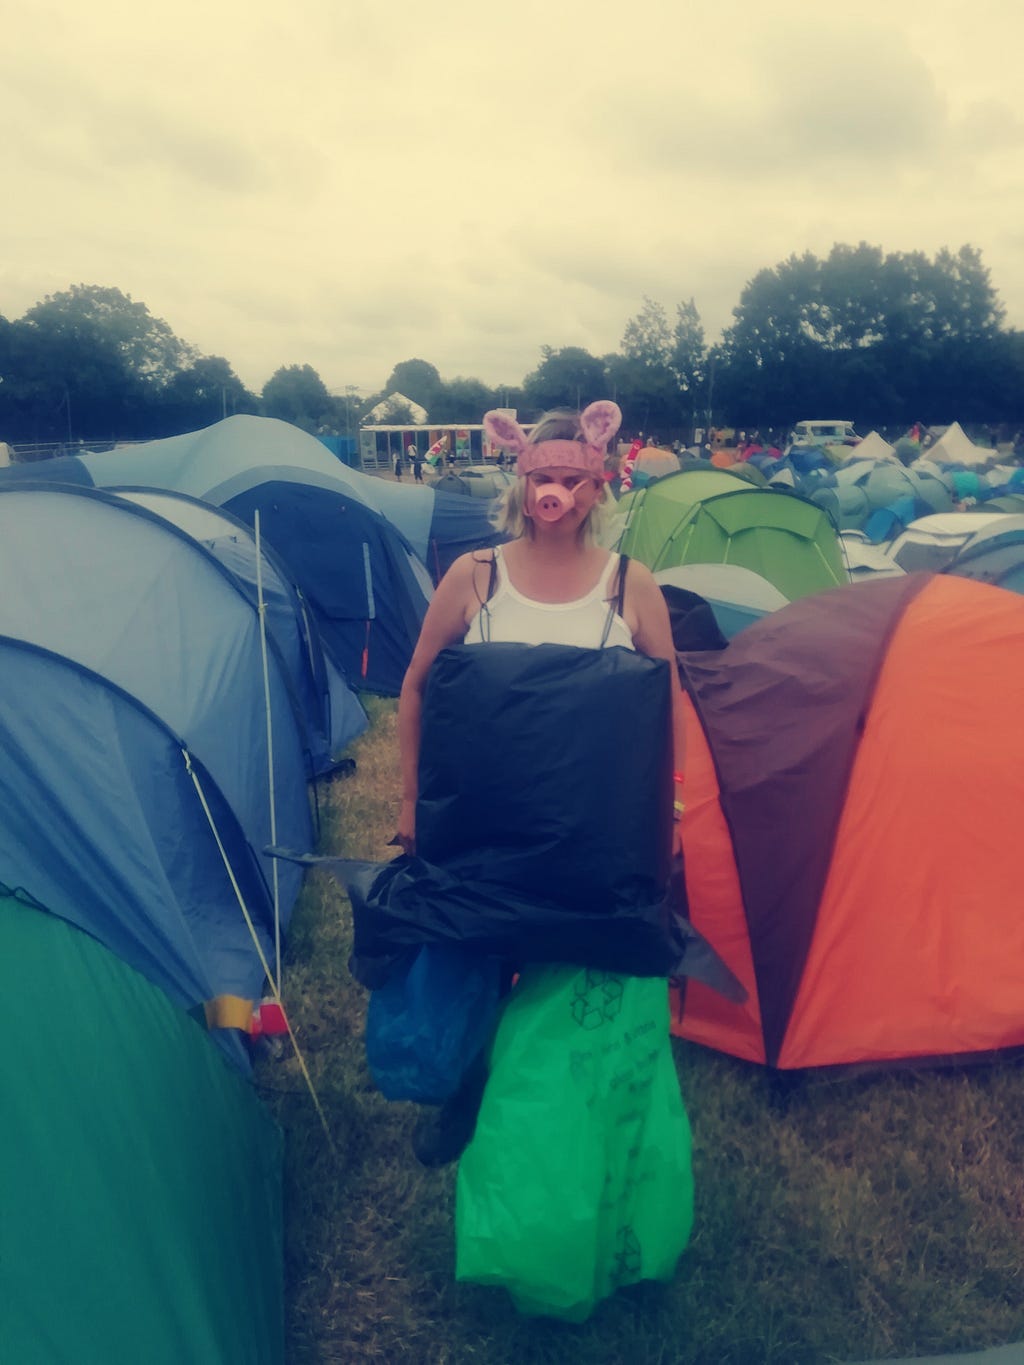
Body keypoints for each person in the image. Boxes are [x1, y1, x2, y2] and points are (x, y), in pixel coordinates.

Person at [396, 402, 687, 1164]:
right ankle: (468, 1089)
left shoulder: (632, 585)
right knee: (480, 957)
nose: (553, 492)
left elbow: (667, 704)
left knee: (568, 965)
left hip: (591, 831)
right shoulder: (474, 576)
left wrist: (669, 808)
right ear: (519, 480)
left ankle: (559, 1106)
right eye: (541, 477)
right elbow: (418, 687)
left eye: (570, 478)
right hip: (483, 823)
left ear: (597, 487)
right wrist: (408, 803)